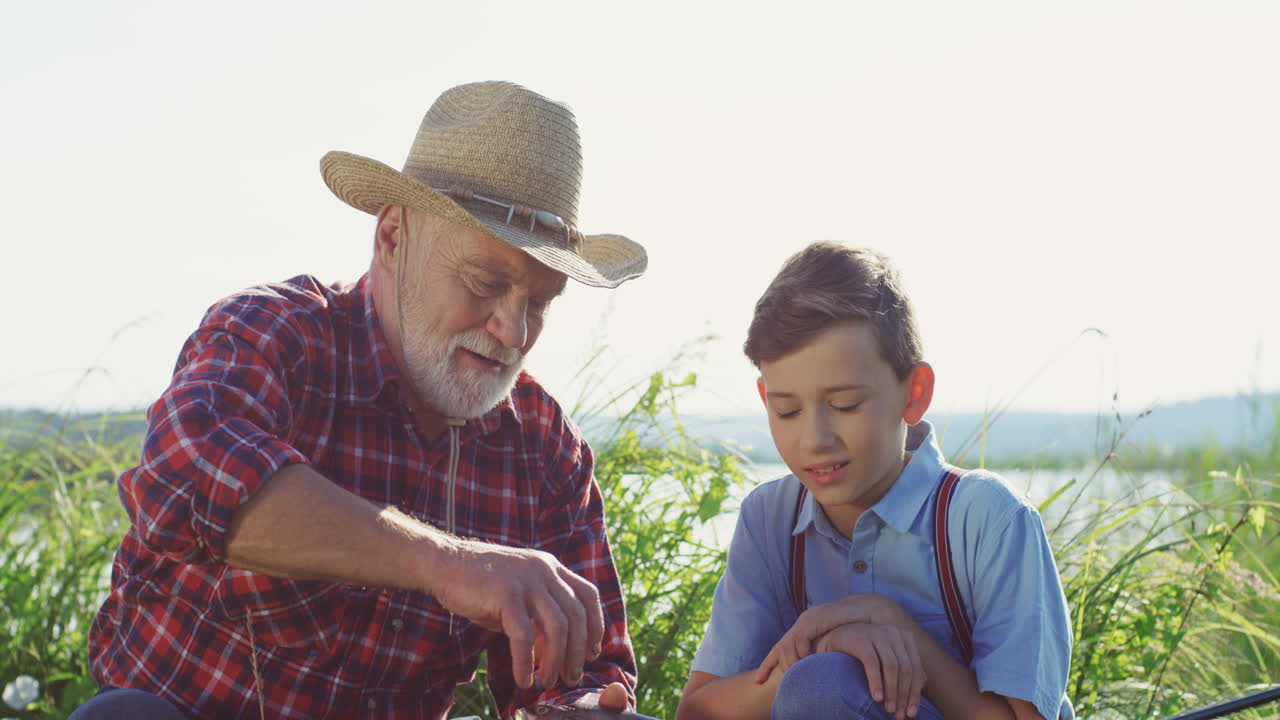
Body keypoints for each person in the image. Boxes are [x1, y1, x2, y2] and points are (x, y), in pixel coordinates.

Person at [75, 81, 649, 720]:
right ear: (393, 237)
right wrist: (451, 565)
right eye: (487, 283)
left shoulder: (543, 446)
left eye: (539, 304)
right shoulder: (276, 334)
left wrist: (584, 704)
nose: (514, 334)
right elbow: (187, 484)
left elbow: (582, 669)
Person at [675, 243, 1073, 720]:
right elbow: (699, 712)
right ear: (765, 399)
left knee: (824, 686)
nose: (814, 440)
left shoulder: (988, 519)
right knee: (820, 680)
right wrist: (822, 647)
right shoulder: (769, 519)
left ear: (914, 393)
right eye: (787, 410)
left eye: (845, 405)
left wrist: (900, 633)